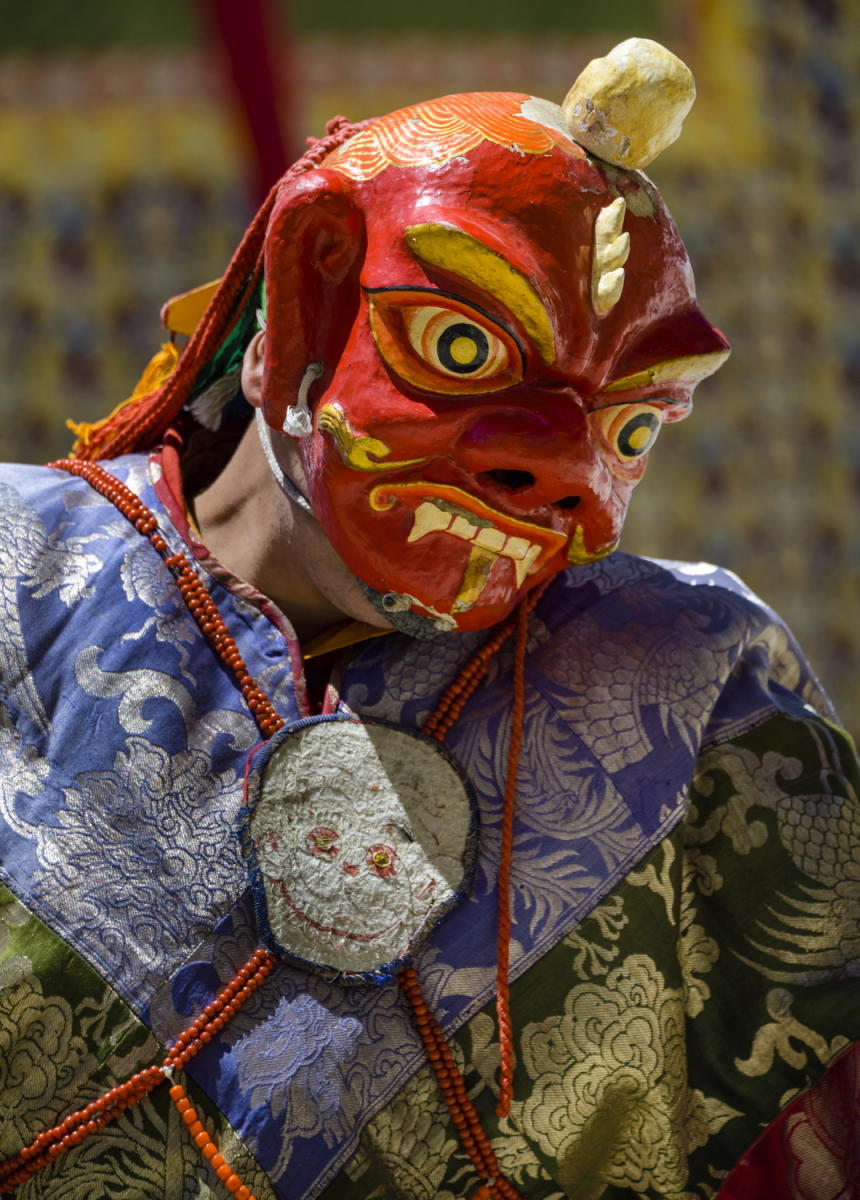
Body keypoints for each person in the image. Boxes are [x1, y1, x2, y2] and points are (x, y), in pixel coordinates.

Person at [0, 36, 857, 1200]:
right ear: (305, 303)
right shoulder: (17, 574)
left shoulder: (694, 701)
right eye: (463, 346)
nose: (558, 471)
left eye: (629, 426)